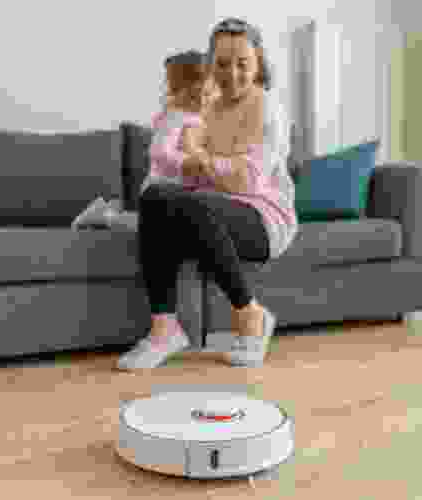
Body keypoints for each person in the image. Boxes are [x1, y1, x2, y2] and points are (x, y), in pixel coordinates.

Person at [117, 17, 299, 370]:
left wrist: (200, 161)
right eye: (222, 64)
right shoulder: (202, 108)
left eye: (243, 64)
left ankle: (251, 315)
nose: (232, 73)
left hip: (261, 217)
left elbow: (248, 179)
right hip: (205, 210)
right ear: (210, 65)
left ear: (259, 64)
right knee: (155, 196)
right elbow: (174, 167)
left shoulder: (269, 109)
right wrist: (196, 161)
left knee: (186, 201)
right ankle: (164, 328)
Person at [70, 50, 218, 232]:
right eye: (199, 95)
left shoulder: (204, 122)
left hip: (187, 192)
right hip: (161, 190)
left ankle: (112, 209)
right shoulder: (174, 118)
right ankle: (104, 216)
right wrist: (187, 162)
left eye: (211, 95)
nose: (206, 101)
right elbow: (159, 152)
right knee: (153, 228)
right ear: (181, 92)